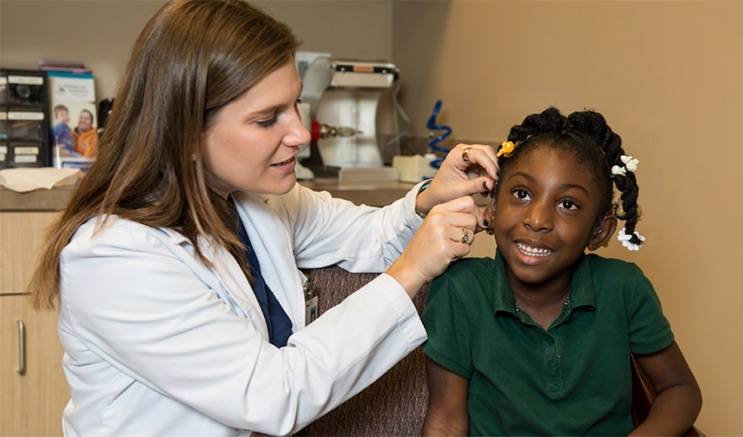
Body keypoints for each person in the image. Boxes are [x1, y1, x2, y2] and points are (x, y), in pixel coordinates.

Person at [27, 0, 498, 436]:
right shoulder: (114, 258)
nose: (299, 133)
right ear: (187, 130)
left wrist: (427, 199)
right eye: (267, 118)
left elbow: (364, 233)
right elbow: (273, 394)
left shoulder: (253, 198)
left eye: (295, 104)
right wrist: (412, 270)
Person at [420, 107, 702, 437]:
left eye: (567, 204)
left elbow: (680, 389)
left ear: (599, 230)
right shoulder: (461, 289)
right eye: (522, 194)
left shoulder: (623, 288)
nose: (537, 219)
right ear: (492, 208)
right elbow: (446, 421)